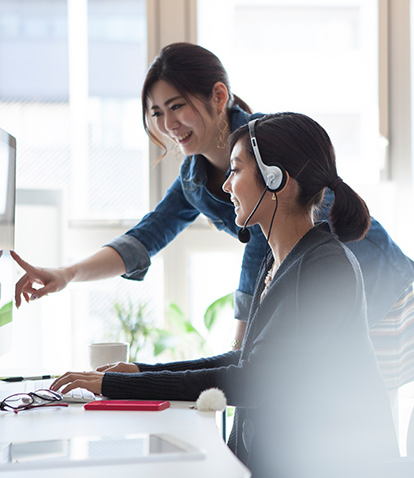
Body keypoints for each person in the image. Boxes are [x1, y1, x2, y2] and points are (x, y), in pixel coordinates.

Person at [11, 42, 414, 364]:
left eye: (176, 106)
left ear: (218, 96)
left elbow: (262, 247)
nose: (168, 125)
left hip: (382, 290)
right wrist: (66, 274)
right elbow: (146, 235)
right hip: (316, 304)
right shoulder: (194, 177)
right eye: (156, 113)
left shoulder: (273, 145)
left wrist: (241, 343)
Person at [50, 113, 399, 477]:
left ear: (276, 179)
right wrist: (139, 372)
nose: (226, 186)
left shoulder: (325, 267)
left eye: (236, 170)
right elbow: (245, 359)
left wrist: (119, 385)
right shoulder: (279, 259)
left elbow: (253, 379)